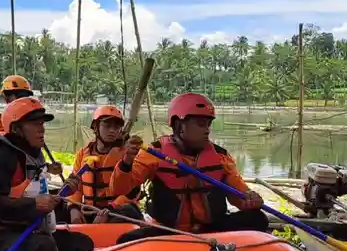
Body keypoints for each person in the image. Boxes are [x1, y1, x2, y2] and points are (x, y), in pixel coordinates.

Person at [109, 92, 268, 241]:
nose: (207, 130)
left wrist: (250, 199)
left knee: (257, 218)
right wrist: (126, 162)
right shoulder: (154, 153)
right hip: (169, 230)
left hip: (211, 228)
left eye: (208, 124)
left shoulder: (221, 157)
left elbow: (239, 196)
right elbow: (118, 190)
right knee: (127, 240)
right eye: (200, 124)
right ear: (179, 126)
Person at [0, 96, 94, 251]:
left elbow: (31, 190)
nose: (42, 129)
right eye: (35, 124)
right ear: (17, 129)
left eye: (42, 123)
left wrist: (64, 191)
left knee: (81, 243)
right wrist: (34, 205)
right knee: (43, 246)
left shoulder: (33, 153)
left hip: (20, 229)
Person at [65, 105, 144, 224]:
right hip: (90, 211)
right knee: (59, 208)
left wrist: (109, 209)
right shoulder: (82, 154)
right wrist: (74, 208)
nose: (112, 130)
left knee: (128, 210)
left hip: (116, 209)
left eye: (116, 126)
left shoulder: (128, 154)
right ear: (96, 127)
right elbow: (76, 186)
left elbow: (132, 192)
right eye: (107, 126)